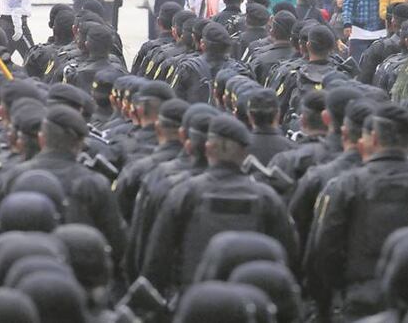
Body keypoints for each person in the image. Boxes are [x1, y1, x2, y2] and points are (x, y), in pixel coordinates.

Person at [142, 115, 297, 295]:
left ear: (208, 149)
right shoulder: (267, 197)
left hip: (195, 300)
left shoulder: (185, 193)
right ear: (245, 153)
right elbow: (288, 254)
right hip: (252, 301)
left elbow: (158, 256)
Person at [309, 105, 408, 320]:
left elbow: (324, 247)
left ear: (373, 138)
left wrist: (338, 292)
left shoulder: (346, 185)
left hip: (359, 300)